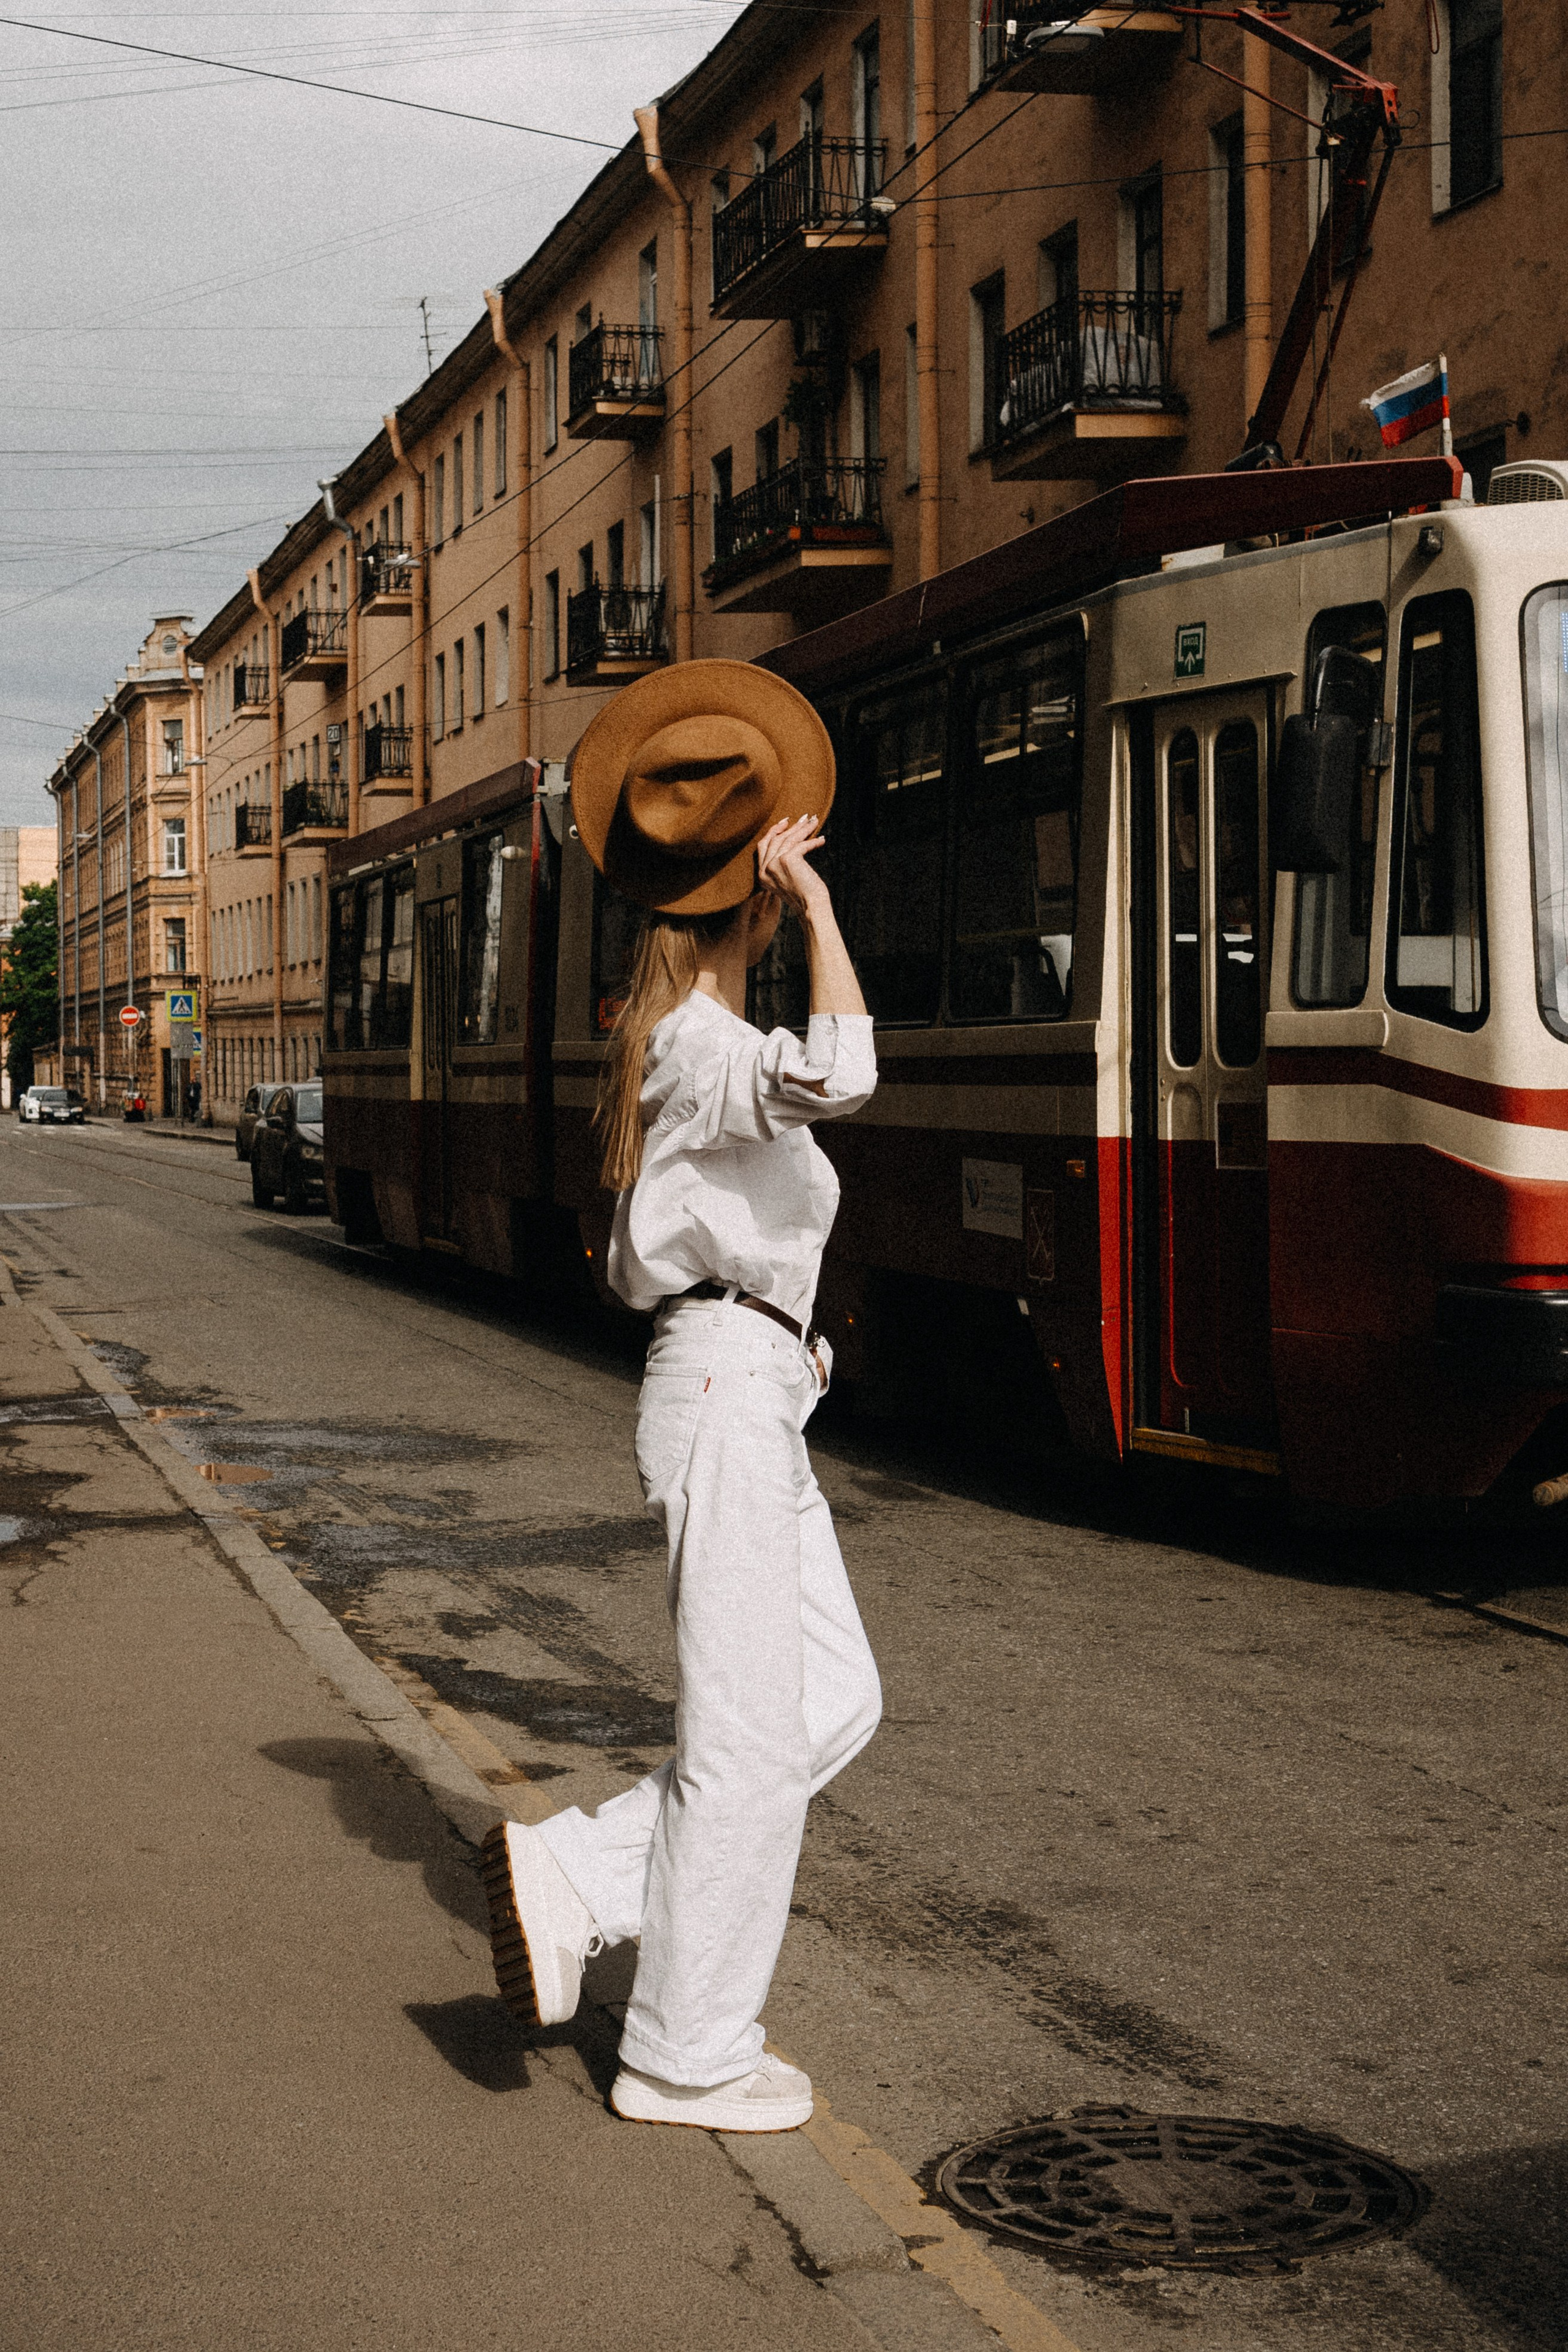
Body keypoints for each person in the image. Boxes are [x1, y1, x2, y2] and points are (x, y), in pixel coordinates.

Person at [482, 660, 881, 2133]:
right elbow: (842, 1074)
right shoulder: (709, 1051)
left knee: (832, 1699)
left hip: (750, 1387)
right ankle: (684, 2050)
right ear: (759, 898)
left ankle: (583, 1875)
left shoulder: (690, 1048)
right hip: (722, 1390)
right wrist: (829, 907)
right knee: (740, 1742)